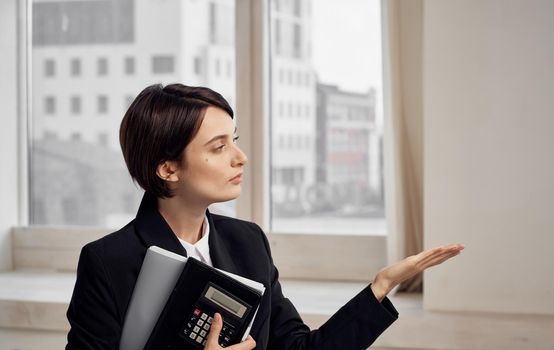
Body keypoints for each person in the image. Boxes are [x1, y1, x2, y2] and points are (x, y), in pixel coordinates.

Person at [65, 83, 464, 350]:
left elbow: (298, 348)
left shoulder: (247, 241)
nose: (240, 157)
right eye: (218, 147)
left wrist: (380, 288)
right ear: (168, 169)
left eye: (233, 141)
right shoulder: (107, 261)